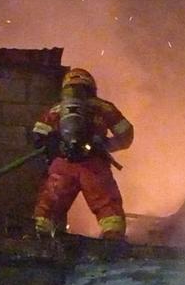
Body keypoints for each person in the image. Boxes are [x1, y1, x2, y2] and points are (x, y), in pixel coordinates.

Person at [31, 68, 134, 240]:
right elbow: (126, 134)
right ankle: (113, 239)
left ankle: (39, 238)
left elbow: (38, 136)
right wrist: (106, 145)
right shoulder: (104, 107)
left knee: (48, 205)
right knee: (107, 205)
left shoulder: (57, 109)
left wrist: (56, 147)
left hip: (63, 165)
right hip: (94, 164)